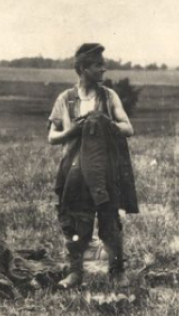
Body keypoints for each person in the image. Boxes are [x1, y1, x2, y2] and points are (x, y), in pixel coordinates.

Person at [48, 43, 138, 289]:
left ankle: (117, 271)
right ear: (83, 68)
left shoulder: (109, 96)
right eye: (98, 64)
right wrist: (73, 131)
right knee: (76, 223)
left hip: (105, 170)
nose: (103, 68)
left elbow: (128, 128)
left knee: (110, 221)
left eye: (102, 63)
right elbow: (52, 137)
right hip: (75, 171)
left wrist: (106, 123)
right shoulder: (65, 99)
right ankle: (76, 273)